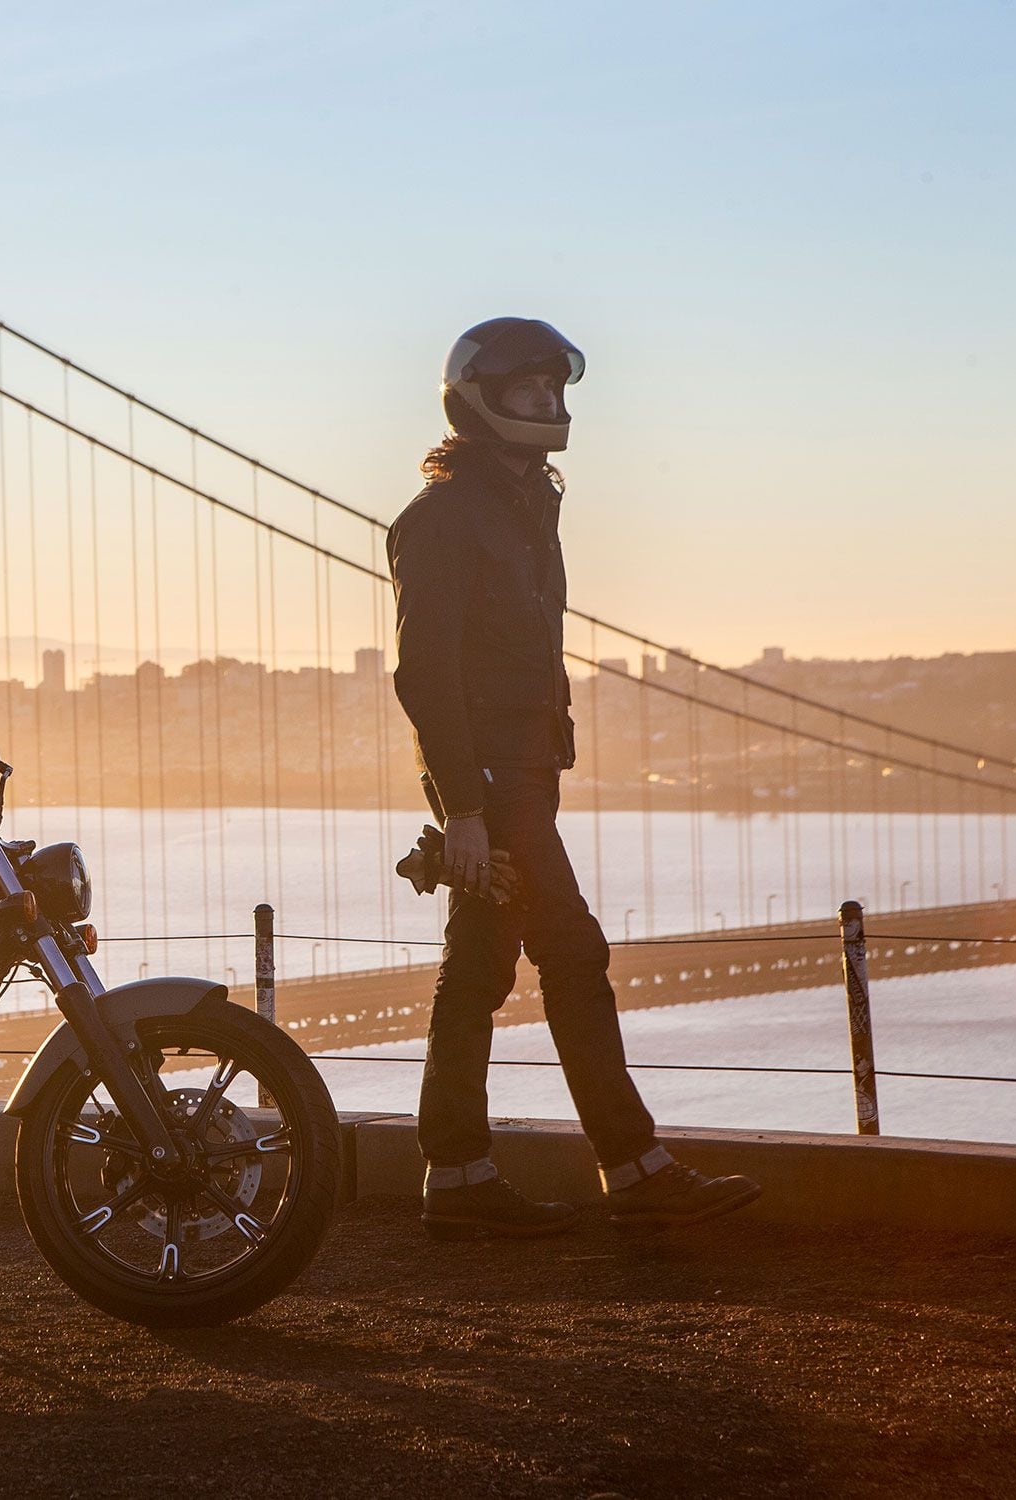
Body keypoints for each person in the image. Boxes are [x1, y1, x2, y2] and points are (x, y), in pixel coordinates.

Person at [386, 317, 761, 1239]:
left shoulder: (528, 504)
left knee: (476, 969)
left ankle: (461, 1175)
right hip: (492, 783)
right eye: (529, 394)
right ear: (478, 402)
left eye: (557, 393)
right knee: (574, 955)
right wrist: (466, 811)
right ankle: (632, 1166)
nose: (550, 408)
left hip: (525, 772)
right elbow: (424, 674)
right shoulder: (439, 520)